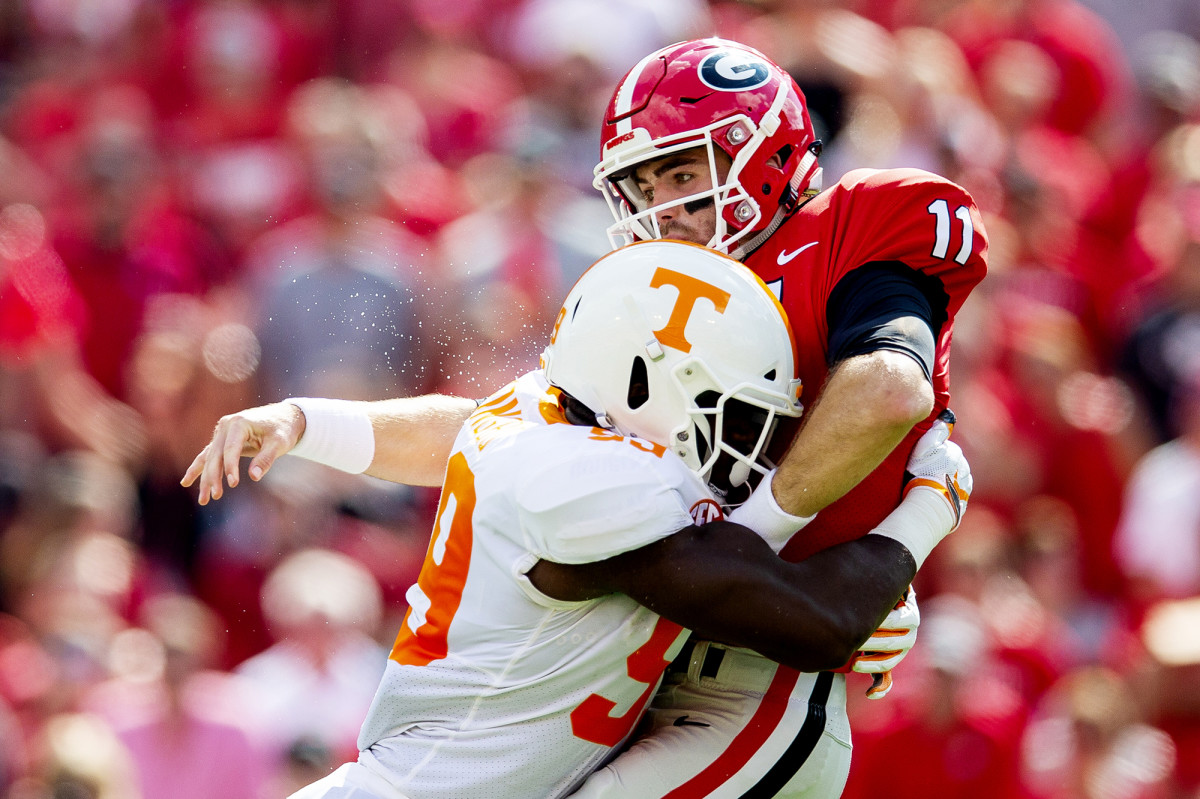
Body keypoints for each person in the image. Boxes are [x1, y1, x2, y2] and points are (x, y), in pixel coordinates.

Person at [184, 38, 985, 796]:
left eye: (677, 173)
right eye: (642, 186)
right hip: (702, 641)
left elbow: (888, 386)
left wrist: (798, 545)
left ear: (763, 150)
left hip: (750, 675)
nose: (661, 209)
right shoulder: (615, 386)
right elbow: (498, 422)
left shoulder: (849, 230)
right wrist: (890, 539)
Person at [268, 240, 966, 798]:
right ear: (641, 379)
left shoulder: (542, 417)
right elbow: (812, 616)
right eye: (739, 414)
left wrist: (307, 421)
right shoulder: (596, 486)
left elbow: (459, 427)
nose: (748, 445)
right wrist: (932, 502)